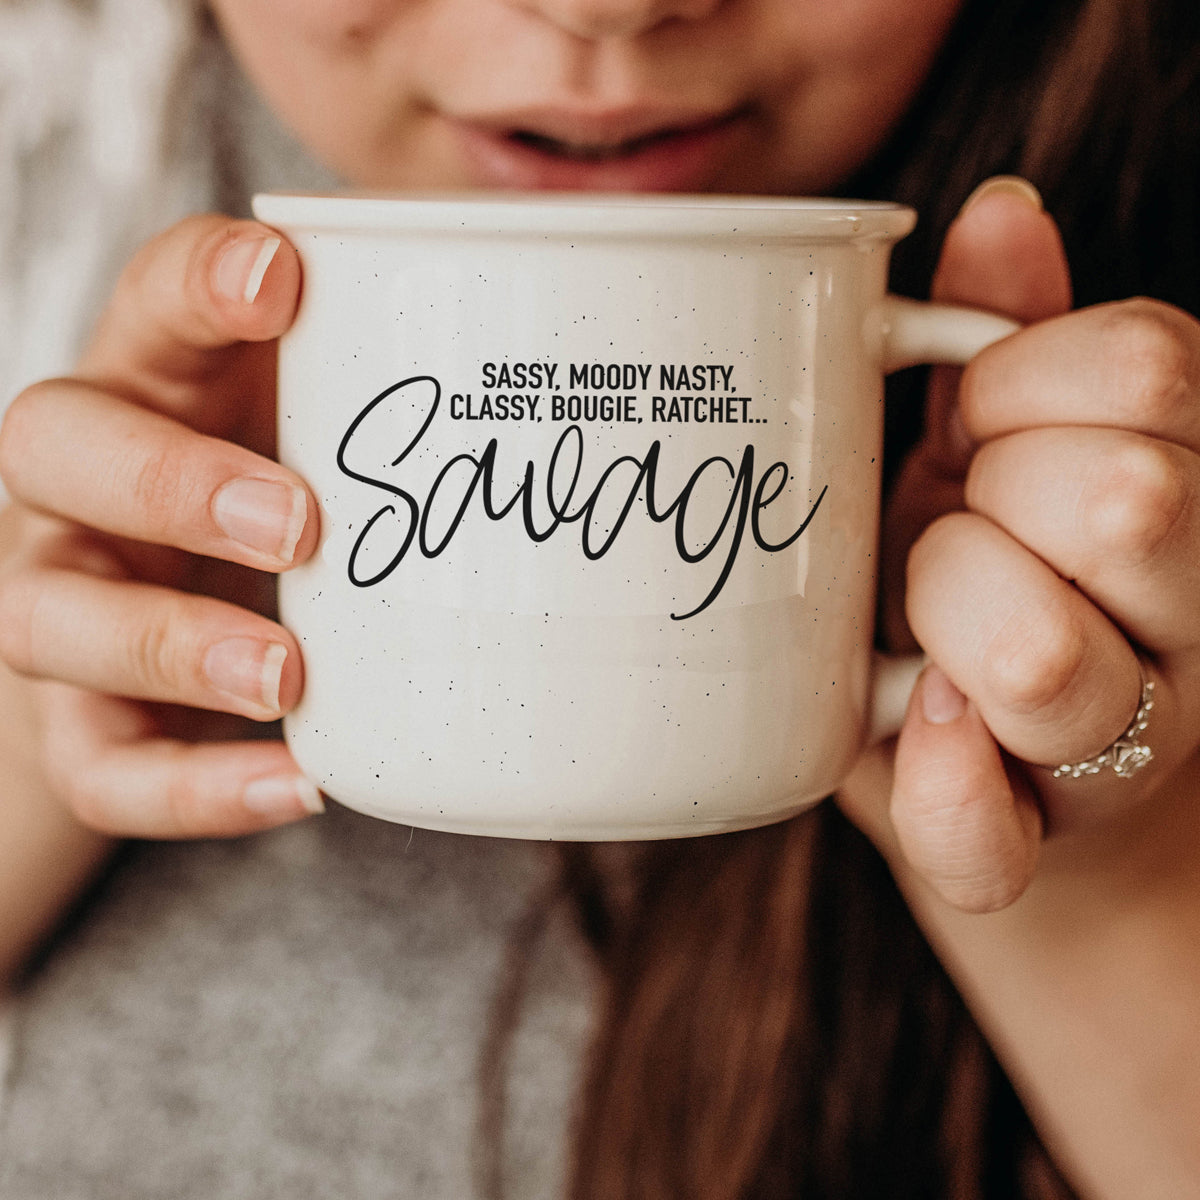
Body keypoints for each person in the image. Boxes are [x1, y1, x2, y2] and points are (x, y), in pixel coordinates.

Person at [0, 0, 1198, 1196]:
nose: (603, 10)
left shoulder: (1151, 426)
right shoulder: (45, 142)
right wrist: (50, 693)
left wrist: (1086, 827)